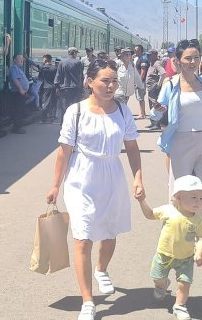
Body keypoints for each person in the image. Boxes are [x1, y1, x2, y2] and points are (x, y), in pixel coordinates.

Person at [45, 59, 144, 320]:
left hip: (112, 176)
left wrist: (138, 177)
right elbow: (64, 152)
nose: (111, 86)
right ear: (90, 82)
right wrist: (55, 185)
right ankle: (88, 301)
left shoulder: (122, 111)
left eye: (114, 81)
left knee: (109, 233)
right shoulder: (76, 111)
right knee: (83, 236)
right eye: (105, 81)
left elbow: (132, 147)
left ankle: (101, 269)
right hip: (81, 179)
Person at [136, 175, 202, 320]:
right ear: (178, 197)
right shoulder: (168, 210)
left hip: (186, 259)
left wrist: (199, 251)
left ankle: (179, 306)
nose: (198, 202)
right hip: (163, 255)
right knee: (157, 277)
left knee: (184, 284)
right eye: (193, 197)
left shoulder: (198, 219)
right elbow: (149, 214)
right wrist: (142, 201)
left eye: (200, 198)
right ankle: (162, 285)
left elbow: (200, 237)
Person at [150, 39, 202, 199]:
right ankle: (177, 215)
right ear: (178, 60)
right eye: (188, 58)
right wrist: (158, 109)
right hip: (181, 142)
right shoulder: (171, 85)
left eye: (196, 57)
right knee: (180, 189)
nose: (193, 62)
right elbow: (155, 115)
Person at [54, 47, 84, 123]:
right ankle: (74, 123)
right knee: (75, 107)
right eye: (76, 53)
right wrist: (81, 88)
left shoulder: (62, 62)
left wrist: (57, 87)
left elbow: (58, 75)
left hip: (64, 88)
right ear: (74, 53)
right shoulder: (78, 63)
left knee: (64, 107)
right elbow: (80, 76)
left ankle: (63, 123)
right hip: (75, 88)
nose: (76, 55)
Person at [8, 54, 30, 134]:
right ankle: (17, 128)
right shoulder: (14, 68)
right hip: (18, 93)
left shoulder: (18, 68)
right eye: (20, 59)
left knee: (20, 110)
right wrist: (21, 89)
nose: (22, 60)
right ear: (14, 60)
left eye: (22, 59)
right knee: (18, 110)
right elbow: (15, 79)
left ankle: (17, 127)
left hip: (20, 92)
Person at [144, 49, 166, 130]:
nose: (148, 56)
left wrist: (158, 85)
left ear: (154, 55)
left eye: (149, 55)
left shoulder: (157, 63)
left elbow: (163, 73)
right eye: (147, 55)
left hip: (154, 89)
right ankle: (153, 122)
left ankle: (157, 124)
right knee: (151, 105)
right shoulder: (151, 63)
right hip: (151, 89)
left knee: (156, 105)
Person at [38, 54, 58, 123]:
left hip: (46, 87)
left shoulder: (43, 68)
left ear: (45, 60)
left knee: (45, 103)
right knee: (53, 102)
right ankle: (52, 117)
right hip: (54, 87)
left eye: (43, 59)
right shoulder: (55, 68)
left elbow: (34, 66)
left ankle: (44, 118)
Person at [134, 45, 149, 119]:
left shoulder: (143, 59)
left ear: (140, 50)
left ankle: (142, 114)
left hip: (141, 81)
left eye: (136, 50)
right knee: (140, 98)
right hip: (140, 81)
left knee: (140, 98)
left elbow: (143, 72)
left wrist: (139, 82)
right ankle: (142, 113)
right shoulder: (140, 58)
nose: (135, 51)